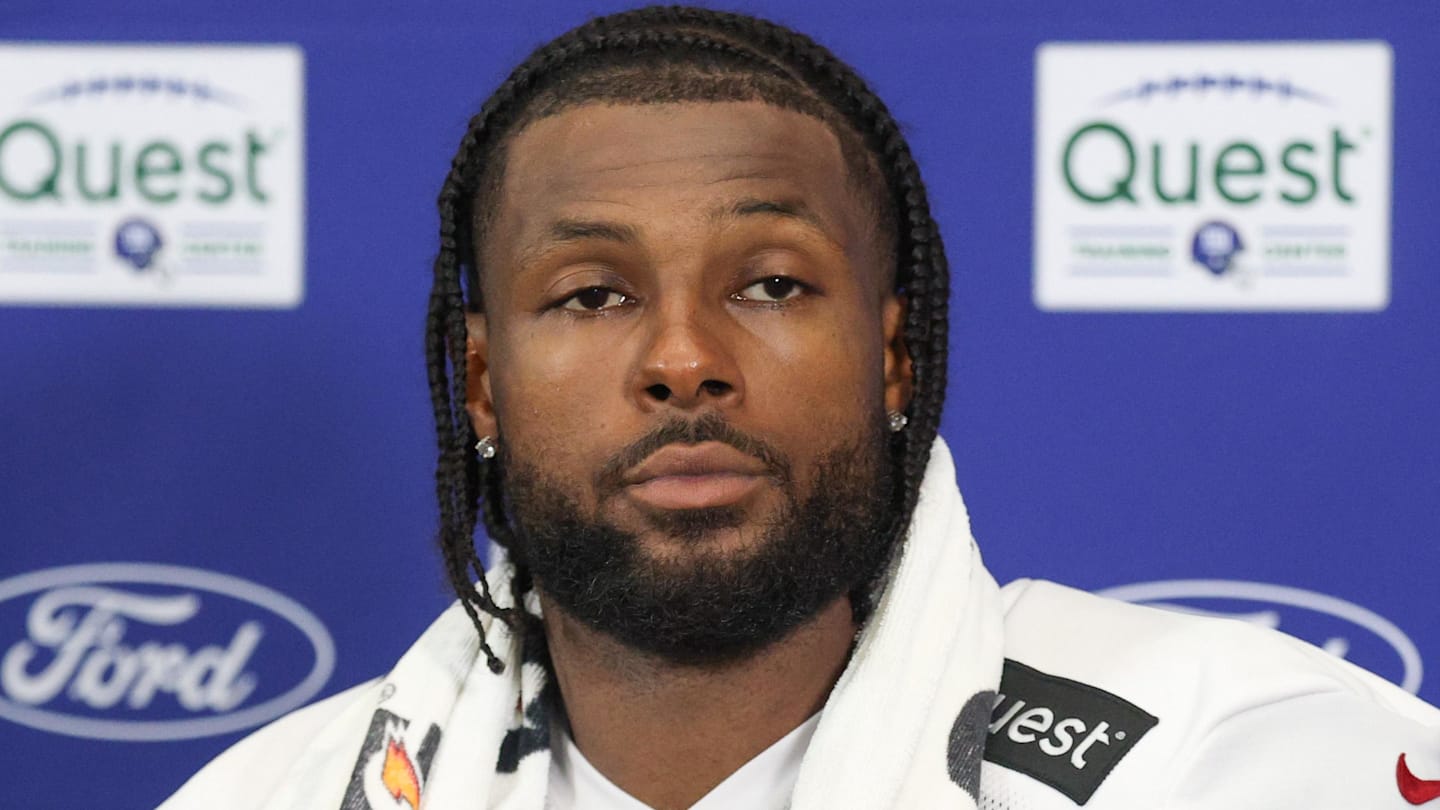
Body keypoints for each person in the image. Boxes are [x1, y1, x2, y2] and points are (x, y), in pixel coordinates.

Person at [162, 6, 1440, 809]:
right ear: (483, 384)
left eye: (770, 284)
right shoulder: (271, 794)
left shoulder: (1238, 759)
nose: (683, 360)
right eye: (593, 294)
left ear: (893, 359)